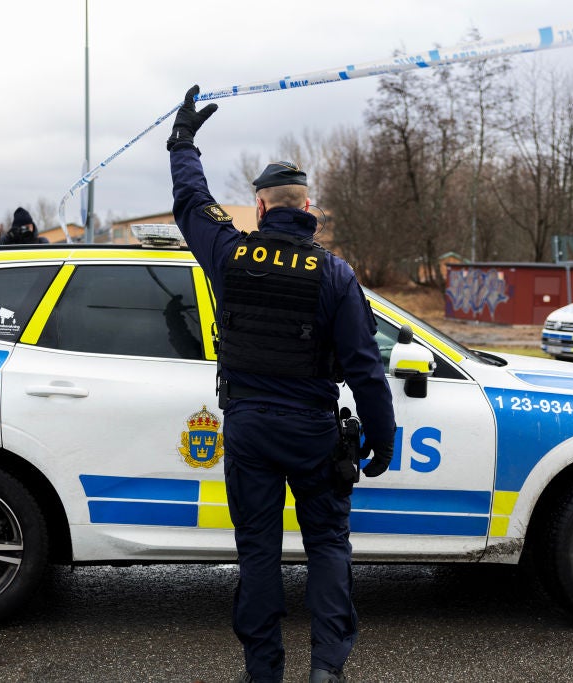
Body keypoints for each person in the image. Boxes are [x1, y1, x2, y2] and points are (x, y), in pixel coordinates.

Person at [168, 85, 396, 683]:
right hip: (314, 432)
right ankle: (327, 670)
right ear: (309, 205)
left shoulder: (230, 254)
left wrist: (183, 141)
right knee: (326, 547)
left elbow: (192, 202)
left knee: (259, 552)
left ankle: (263, 671)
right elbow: (365, 366)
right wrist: (383, 438)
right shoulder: (336, 274)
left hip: (249, 431)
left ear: (262, 208)